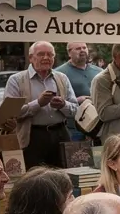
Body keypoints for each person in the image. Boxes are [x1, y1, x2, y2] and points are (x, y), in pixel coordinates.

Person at [5, 41, 78, 169]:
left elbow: (75, 109)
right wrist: (38, 103)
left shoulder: (62, 78)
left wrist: (63, 105)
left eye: (50, 55)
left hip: (60, 134)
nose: (46, 58)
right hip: (32, 136)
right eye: (41, 54)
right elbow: (11, 113)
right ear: (31, 58)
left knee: (63, 177)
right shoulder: (16, 79)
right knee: (34, 179)